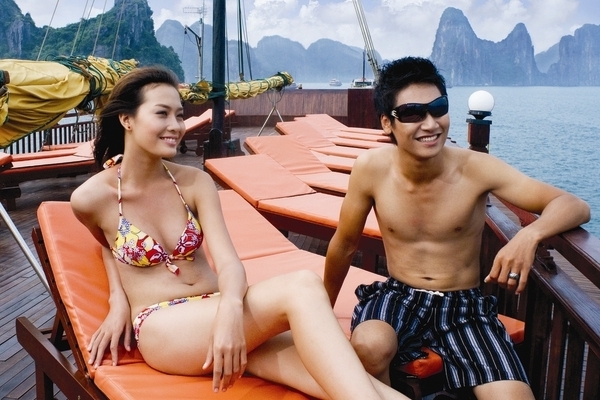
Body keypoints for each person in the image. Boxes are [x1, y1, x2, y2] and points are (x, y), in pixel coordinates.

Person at [70, 65, 408, 400]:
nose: (176, 125)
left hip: (219, 307)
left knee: (348, 383)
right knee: (302, 286)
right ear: (127, 119)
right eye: (162, 113)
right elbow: (108, 245)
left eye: (179, 114)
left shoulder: (193, 182)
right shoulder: (92, 198)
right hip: (163, 326)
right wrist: (118, 301)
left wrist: (230, 312)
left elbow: (229, 262)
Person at [323, 57, 590, 399]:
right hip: (399, 295)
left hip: (464, 305)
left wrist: (529, 235)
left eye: (438, 108)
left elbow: (573, 205)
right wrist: (323, 313)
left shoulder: (476, 169)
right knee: (369, 346)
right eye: (412, 114)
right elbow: (344, 245)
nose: (430, 124)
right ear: (388, 123)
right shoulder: (371, 169)